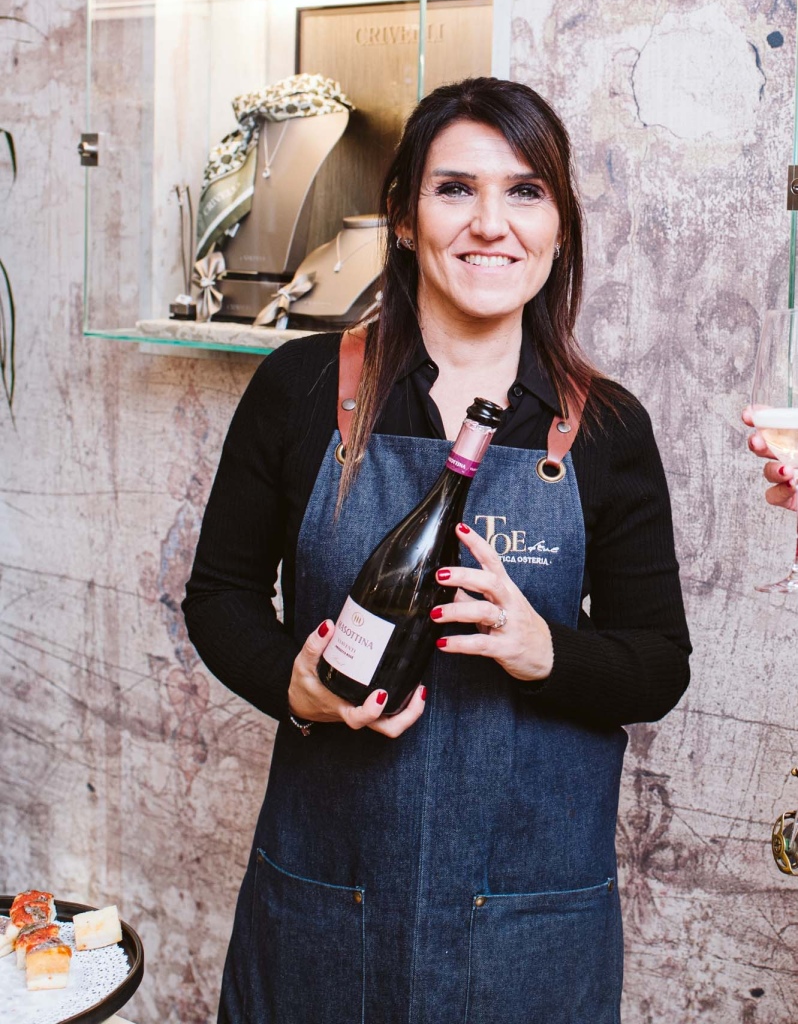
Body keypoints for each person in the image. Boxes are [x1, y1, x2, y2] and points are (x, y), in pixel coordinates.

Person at [183, 77, 690, 1024]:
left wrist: (546, 652)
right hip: (328, 898)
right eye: (455, 188)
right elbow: (219, 598)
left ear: (559, 227)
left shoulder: (609, 428)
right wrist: (294, 688)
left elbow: (659, 663)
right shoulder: (301, 389)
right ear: (405, 219)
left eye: (526, 191)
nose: (491, 223)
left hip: (530, 923)